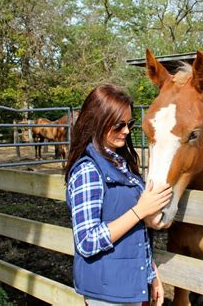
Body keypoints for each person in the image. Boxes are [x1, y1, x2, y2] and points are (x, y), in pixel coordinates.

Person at [64, 84, 172, 306]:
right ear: (97, 121)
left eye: (129, 124)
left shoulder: (122, 165)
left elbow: (137, 234)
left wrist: (151, 276)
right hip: (107, 294)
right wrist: (140, 210)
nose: (126, 131)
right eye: (118, 125)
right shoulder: (88, 171)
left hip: (130, 286)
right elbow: (87, 240)